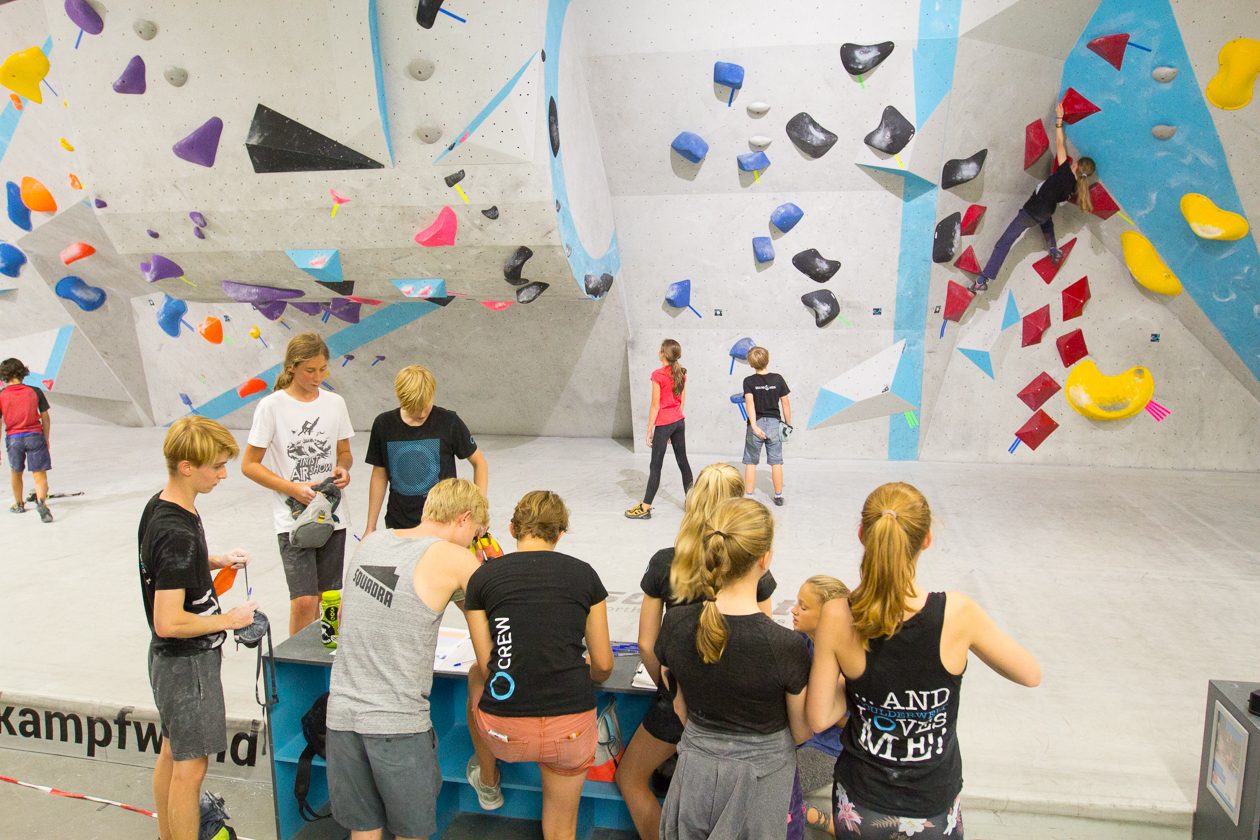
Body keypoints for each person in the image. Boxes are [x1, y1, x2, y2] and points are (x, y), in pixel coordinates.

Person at [807, 482, 1041, 839]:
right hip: (932, 806)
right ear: (926, 539)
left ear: (861, 535)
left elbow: (820, 716)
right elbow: (1030, 674)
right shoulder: (958, 613)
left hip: (861, 805)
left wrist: (858, 684)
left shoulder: (838, 615)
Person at [616, 462, 778, 840]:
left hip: (679, 699)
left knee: (632, 778)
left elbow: (645, 643)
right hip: (737, 711)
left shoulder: (664, 562)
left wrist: (669, 691)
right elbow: (764, 641)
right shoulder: (753, 568)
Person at [326, 478, 489, 840]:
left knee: (364, 831)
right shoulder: (458, 558)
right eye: (475, 533)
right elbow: (489, 650)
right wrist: (484, 571)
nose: (473, 542)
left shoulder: (373, 540)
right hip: (397, 725)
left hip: (341, 717)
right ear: (463, 519)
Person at [655, 497, 811, 840]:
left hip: (695, 773)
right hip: (761, 783)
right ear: (764, 559)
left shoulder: (677, 624)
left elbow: (678, 703)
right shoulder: (785, 645)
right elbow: (801, 731)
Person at [464, 490, 613, 840]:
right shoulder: (585, 575)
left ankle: (488, 779)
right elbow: (603, 665)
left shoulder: (482, 579)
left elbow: (489, 667)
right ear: (560, 534)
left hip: (505, 733)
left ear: (513, 528)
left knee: (475, 675)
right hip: (571, 731)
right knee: (562, 828)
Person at [139, 416, 257, 840]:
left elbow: (167, 566)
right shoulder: (178, 534)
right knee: (192, 770)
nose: (224, 474)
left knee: (172, 754)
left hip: (168, 665)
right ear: (187, 466)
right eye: (217, 467)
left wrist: (216, 560)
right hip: (188, 666)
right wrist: (231, 619)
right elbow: (168, 621)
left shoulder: (163, 506)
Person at [242, 333, 354, 636]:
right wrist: (292, 489)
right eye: (310, 370)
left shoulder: (335, 403)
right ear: (292, 367)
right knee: (304, 600)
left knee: (330, 600)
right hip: (292, 518)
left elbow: (344, 452)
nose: (318, 377)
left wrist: (343, 468)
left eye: (323, 369)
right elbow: (249, 465)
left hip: (332, 514)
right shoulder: (271, 407)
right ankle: (298, 669)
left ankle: (328, 660)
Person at [971, 102, 1096, 292]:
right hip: (1045, 211)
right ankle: (1052, 248)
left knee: (1004, 242)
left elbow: (1060, 143)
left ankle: (983, 279)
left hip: (1031, 211)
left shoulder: (1064, 172)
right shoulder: (1074, 186)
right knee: (1046, 220)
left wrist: (1059, 119)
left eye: (1076, 162)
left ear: (1076, 166)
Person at [363, 364, 488, 536]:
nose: (422, 413)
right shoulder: (383, 425)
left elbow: (479, 463)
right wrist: (370, 526)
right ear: (401, 399)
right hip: (400, 524)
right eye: (415, 408)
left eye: (426, 405)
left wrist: (478, 514)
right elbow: (379, 473)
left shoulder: (449, 422)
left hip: (445, 523)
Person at [790, 575, 851, 838]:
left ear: (827, 614)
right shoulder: (802, 643)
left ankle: (824, 821)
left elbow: (843, 719)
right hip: (798, 738)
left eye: (803, 607)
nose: (793, 610)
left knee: (774, 790)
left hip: (829, 748)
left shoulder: (849, 655)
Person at [625, 339, 693, 520]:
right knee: (683, 462)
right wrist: (674, 423)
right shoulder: (681, 373)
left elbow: (655, 405)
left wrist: (650, 430)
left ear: (663, 354)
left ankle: (645, 507)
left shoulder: (658, 375)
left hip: (664, 423)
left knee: (655, 466)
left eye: (659, 350)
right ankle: (693, 503)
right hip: (679, 421)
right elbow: (682, 401)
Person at [0, 357, 54, 522]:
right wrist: (46, 438)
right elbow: (45, 418)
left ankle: (19, 504)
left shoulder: (2, 395)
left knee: (16, 472)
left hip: (14, 438)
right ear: (23, 372)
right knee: (39, 474)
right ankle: (42, 503)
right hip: (34, 436)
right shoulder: (35, 391)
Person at [741, 346, 792, 506]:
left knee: (751, 462)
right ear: (767, 360)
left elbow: (749, 403)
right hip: (775, 425)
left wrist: (755, 426)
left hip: (756, 424)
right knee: (776, 462)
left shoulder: (748, 381)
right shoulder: (778, 379)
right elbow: (786, 403)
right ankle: (778, 495)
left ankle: (748, 496)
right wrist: (787, 424)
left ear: (750, 364)